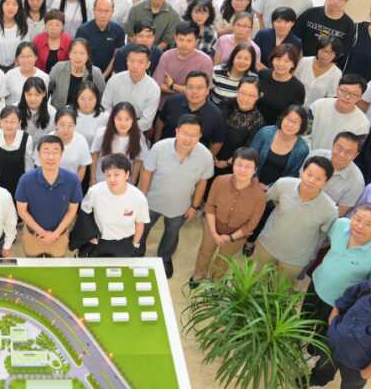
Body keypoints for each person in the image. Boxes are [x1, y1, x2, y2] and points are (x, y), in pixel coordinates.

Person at [141, 115, 214, 272]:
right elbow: (147, 172)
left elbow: (203, 182)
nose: (188, 139)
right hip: (152, 201)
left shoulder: (206, 156)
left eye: (193, 135)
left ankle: (165, 258)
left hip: (181, 205)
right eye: (185, 133)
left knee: (172, 233)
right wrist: (142, 197)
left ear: (200, 136)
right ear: (176, 131)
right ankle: (136, 252)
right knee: (142, 228)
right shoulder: (159, 148)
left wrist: (194, 206)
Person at [304, 205, 371, 331]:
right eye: (357, 219)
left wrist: (344, 308)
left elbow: (370, 291)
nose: (359, 226)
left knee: (321, 334)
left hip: (336, 303)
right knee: (302, 322)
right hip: (316, 284)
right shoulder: (340, 225)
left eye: (368, 224)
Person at [252, 157, 338, 281]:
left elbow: (324, 235)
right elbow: (266, 200)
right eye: (309, 174)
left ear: (326, 182)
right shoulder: (283, 184)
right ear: (302, 172)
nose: (311, 181)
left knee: (279, 291)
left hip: (295, 260)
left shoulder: (330, 210)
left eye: (318, 179)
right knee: (254, 280)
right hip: (266, 246)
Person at [191, 149, 266, 284]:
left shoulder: (260, 196)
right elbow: (210, 207)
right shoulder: (220, 181)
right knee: (205, 252)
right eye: (239, 164)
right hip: (213, 225)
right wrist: (214, 232)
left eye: (248, 166)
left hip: (237, 235)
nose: (242, 170)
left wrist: (230, 237)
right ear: (233, 165)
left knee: (224, 259)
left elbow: (251, 224)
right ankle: (199, 274)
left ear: (255, 170)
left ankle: (216, 281)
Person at [81, 154, 150, 257]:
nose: (112, 179)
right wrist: (89, 234)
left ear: (127, 175)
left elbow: (140, 224)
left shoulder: (138, 197)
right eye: (108, 175)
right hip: (99, 241)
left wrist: (134, 245)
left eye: (116, 174)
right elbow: (85, 212)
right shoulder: (95, 191)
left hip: (125, 242)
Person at [156, 70, 224, 152]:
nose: (194, 91)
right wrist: (156, 143)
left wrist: (208, 157)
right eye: (190, 87)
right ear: (185, 89)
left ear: (207, 91)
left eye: (199, 88)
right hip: (166, 150)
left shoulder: (216, 115)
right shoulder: (172, 102)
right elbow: (160, 122)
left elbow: (217, 142)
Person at [292, 0, 356, 64]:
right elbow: (294, 36)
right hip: (299, 61)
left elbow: (342, 53)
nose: (336, 1)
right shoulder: (310, 13)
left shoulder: (349, 25)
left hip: (324, 66)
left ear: (346, 1)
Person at [101, 44, 160, 133]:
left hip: (137, 129)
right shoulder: (114, 80)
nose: (135, 66)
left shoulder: (153, 88)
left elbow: (146, 121)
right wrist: (116, 125)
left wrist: (125, 129)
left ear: (148, 65)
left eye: (140, 62)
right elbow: (105, 106)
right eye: (131, 61)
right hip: (112, 124)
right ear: (127, 62)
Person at [248, 105, 311, 185]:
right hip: (250, 180)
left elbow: (291, 175)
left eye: (295, 122)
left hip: (278, 188)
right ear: (282, 118)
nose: (290, 125)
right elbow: (249, 157)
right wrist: (254, 179)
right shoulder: (265, 133)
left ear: (301, 126)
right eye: (288, 119)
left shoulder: (302, 149)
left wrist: (270, 187)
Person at [90, 102, 149, 185]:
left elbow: (138, 161)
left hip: (124, 182)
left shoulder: (138, 136)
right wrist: (92, 178)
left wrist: (132, 182)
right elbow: (94, 155)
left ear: (133, 120)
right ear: (113, 119)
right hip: (102, 179)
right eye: (119, 119)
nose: (123, 123)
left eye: (127, 119)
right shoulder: (102, 133)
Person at [152, 22, 213, 101]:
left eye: (189, 41)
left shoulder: (205, 61)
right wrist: (184, 90)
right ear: (175, 38)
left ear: (197, 41)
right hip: (164, 104)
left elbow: (202, 91)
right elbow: (157, 85)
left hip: (191, 104)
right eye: (181, 40)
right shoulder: (166, 56)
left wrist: (173, 86)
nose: (184, 44)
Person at [310, 132, 367, 217]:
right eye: (339, 148)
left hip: (322, 216)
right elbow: (299, 181)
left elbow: (338, 213)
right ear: (333, 145)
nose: (342, 154)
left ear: (355, 155)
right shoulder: (315, 155)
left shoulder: (357, 183)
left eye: (348, 152)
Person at [308, 75, 370, 152]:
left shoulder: (362, 124)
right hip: (308, 153)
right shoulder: (318, 106)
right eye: (344, 91)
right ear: (337, 89)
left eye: (354, 94)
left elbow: (354, 151)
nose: (347, 97)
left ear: (360, 97)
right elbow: (305, 134)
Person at [215, 77, 264, 172]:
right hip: (210, 154)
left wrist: (227, 163)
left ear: (258, 97)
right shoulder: (225, 103)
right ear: (237, 91)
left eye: (251, 95)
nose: (245, 99)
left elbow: (247, 150)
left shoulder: (258, 121)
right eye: (242, 93)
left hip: (233, 166)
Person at [0, 106, 34, 197]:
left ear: (19, 123)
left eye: (13, 122)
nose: (9, 125)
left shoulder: (27, 138)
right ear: (0, 122)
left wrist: (28, 185)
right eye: (5, 121)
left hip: (19, 183)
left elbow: (29, 166)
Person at [48, 38, 105, 110]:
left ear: (88, 55)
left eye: (82, 53)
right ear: (69, 54)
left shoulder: (96, 73)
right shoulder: (58, 68)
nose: (78, 57)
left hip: (85, 114)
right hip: (59, 113)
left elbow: (102, 98)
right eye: (74, 53)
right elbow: (47, 90)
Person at [256, 43, 306, 126]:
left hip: (276, 128)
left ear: (293, 64)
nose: (281, 64)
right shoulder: (263, 74)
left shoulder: (298, 88)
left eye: (286, 61)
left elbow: (294, 115)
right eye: (278, 59)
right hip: (253, 122)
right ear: (272, 60)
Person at [76, 0, 127, 75]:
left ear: (112, 12)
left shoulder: (118, 30)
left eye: (106, 11)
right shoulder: (83, 30)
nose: (102, 15)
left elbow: (116, 56)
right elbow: (79, 55)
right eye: (99, 10)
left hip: (110, 74)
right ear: (94, 10)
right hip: (86, 73)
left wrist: (104, 75)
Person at [40, 107, 92, 182]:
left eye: (70, 125)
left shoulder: (81, 141)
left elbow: (82, 167)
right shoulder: (45, 141)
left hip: (71, 183)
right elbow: (39, 166)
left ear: (75, 125)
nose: (66, 129)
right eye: (62, 125)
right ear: (55, 124)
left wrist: (75, 185)